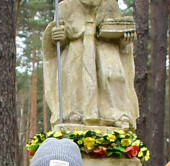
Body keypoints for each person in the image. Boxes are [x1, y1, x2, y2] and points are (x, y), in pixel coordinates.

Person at [42, 0, 137, 128]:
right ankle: (74, 111)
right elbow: (56, 41)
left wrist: (126, 38)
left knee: (114, 73)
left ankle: (116, 113)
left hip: (105, 49)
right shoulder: (65, 6)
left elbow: (122, 40)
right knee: (73, 71)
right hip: (77, 51)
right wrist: (57, 36)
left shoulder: (110, 5)